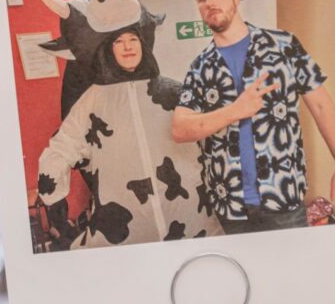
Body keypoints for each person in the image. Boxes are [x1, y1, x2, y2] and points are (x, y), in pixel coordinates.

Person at [171, 0, 335, 234]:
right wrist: (235, 110)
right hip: (230, 205)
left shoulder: (284, 46)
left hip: (283, 196)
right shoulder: (200, 67)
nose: (209, 2)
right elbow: (180, 128)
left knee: (295, 272)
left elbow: (321, 105)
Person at [37, 26, 221, 250]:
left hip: (191, 215)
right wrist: (54, 202)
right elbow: (62, 147)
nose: (127, 46)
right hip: (126, 227)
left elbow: (209, 133)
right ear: (108, 49)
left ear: (143, 45)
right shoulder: (93, 101)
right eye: (118, 41)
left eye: (133, 39)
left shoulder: (173, 92)